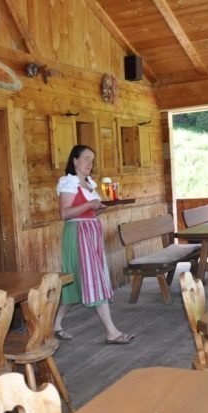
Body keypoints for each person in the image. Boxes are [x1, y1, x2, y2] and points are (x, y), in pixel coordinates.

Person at [53, 145, 135, 345]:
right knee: (94, 280)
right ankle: (112, 332)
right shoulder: (68, 182)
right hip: (78, 233)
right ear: (75, 160)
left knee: (75, 284)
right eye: (86, 158)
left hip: (91, 232)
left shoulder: (89, 183)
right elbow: (65, 213)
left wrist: (97, 210)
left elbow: (86, 210)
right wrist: (90, 205)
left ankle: (55, 326)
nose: (90, 163)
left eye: (92, 160)